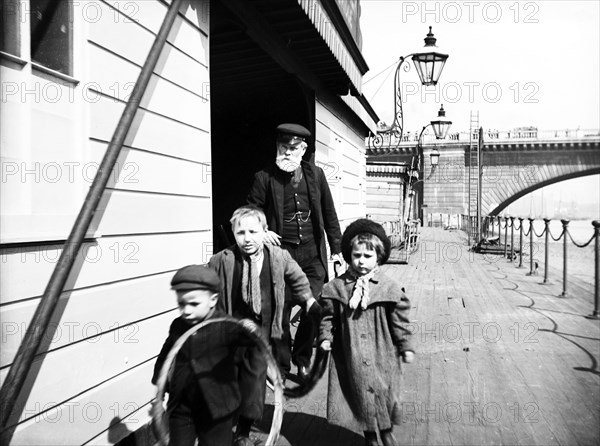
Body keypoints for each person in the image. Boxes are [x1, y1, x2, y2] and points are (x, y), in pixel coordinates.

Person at [247, 122, 343, 380]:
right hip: (282, 256)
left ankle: (302, 358)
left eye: (293, 148)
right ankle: (282, 364)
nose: (288, 153)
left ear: (304, 149)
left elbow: (330, 214)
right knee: (282, 310)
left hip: (312, 255)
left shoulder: (317, 176)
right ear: (277, 147)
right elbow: (250, 211)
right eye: (283, 147)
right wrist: (261, 230)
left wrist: (336, 250)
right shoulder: (264, 177)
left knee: (313, 309)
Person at [318, 219, 415, 446]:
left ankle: (387, 431)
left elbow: (401, 322)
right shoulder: (337, 288)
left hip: (383, 354)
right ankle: (370, 437)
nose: (362, 261)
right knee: (360, 395)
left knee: (384, 394)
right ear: (349, 256)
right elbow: (327, 317)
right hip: (350, 353)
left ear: (378, 257)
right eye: (357, 255)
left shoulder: (388, 289)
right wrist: (325, 337)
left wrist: (405, 345)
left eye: (368, 256)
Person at [151, 265, 265, 446]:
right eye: (181, 304)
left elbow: (248, 342)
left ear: (213, 300)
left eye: (194, 304)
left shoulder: (227, 327)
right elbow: (167, 354)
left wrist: (251, 331)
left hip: (217, 407)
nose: (186, 310)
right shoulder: (178, 326)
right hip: (182, 404)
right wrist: (160, 382)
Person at [208, 205, 322, 377]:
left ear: (265, 232)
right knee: (240, 372)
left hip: (272, 325)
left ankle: (279, 388)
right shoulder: (221, 260)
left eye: (253, 232)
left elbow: (299, 279)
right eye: (240, 233)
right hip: (238, 327)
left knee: (278, 366)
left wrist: (308, 299)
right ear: (233, 233)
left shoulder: (279, 256)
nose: (247, 239)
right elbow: (206, 284)